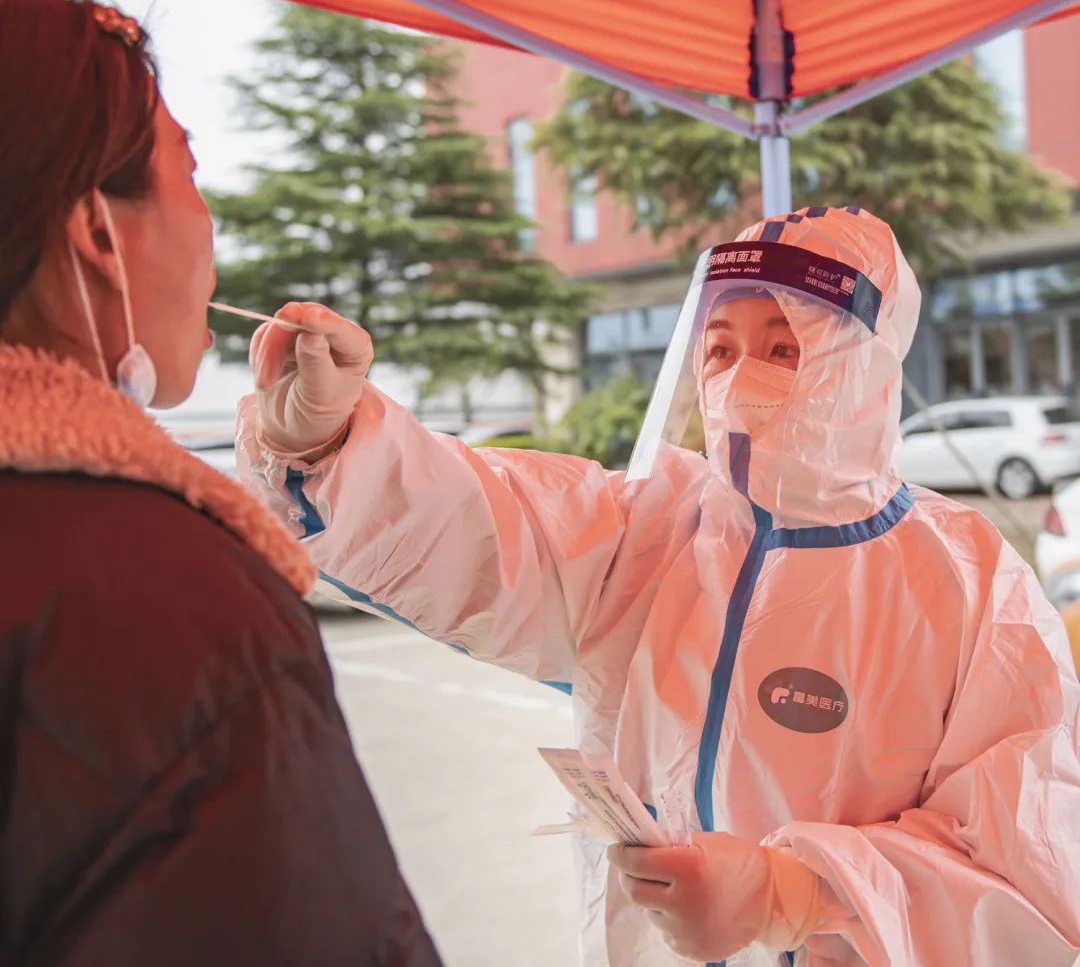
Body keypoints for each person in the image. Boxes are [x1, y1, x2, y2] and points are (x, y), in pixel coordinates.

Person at [237, 206, 1080, 966]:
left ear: (860, 366)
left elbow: (1029, 871)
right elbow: (482, 523)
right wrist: (334, 442)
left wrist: (796, 894)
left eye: (784, 348)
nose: (740, 379)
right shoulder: (652, 530)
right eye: (720, 348)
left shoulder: (970, 586)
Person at [0, 0, 441, 967]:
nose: (211, 224)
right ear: (95, 232)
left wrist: (325, 449)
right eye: (189, 170)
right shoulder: (159, 599)